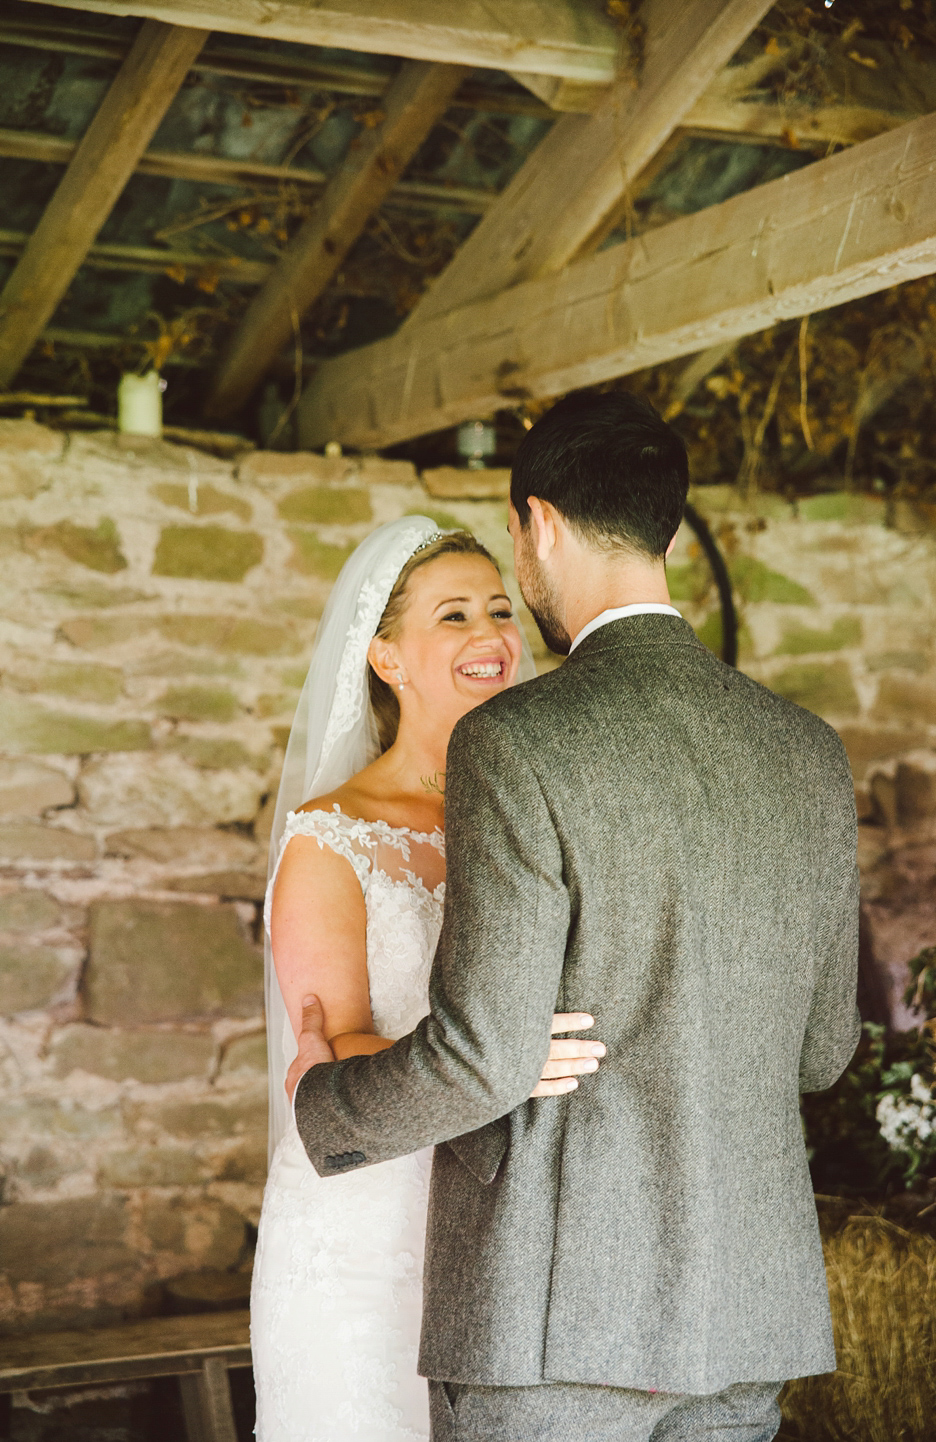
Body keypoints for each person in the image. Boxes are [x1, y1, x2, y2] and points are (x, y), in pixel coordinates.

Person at [287, 390, 862, 1442]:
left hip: (551, 1322)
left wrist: (326, 1101)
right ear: (671, 532)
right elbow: (824, 1050)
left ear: (537, 525)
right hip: (746, 1316)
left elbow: (486, 1057)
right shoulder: (808, 750)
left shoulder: (517, 741)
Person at [251, 520, 604, 1441]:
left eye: (499, 608)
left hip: (512, 1216)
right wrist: (507, 1064)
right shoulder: (334, 837)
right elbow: (333, 1057)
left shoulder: (543, 808)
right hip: (369, 1224)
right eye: (453, 615)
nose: (491, 635)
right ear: (386, 658)